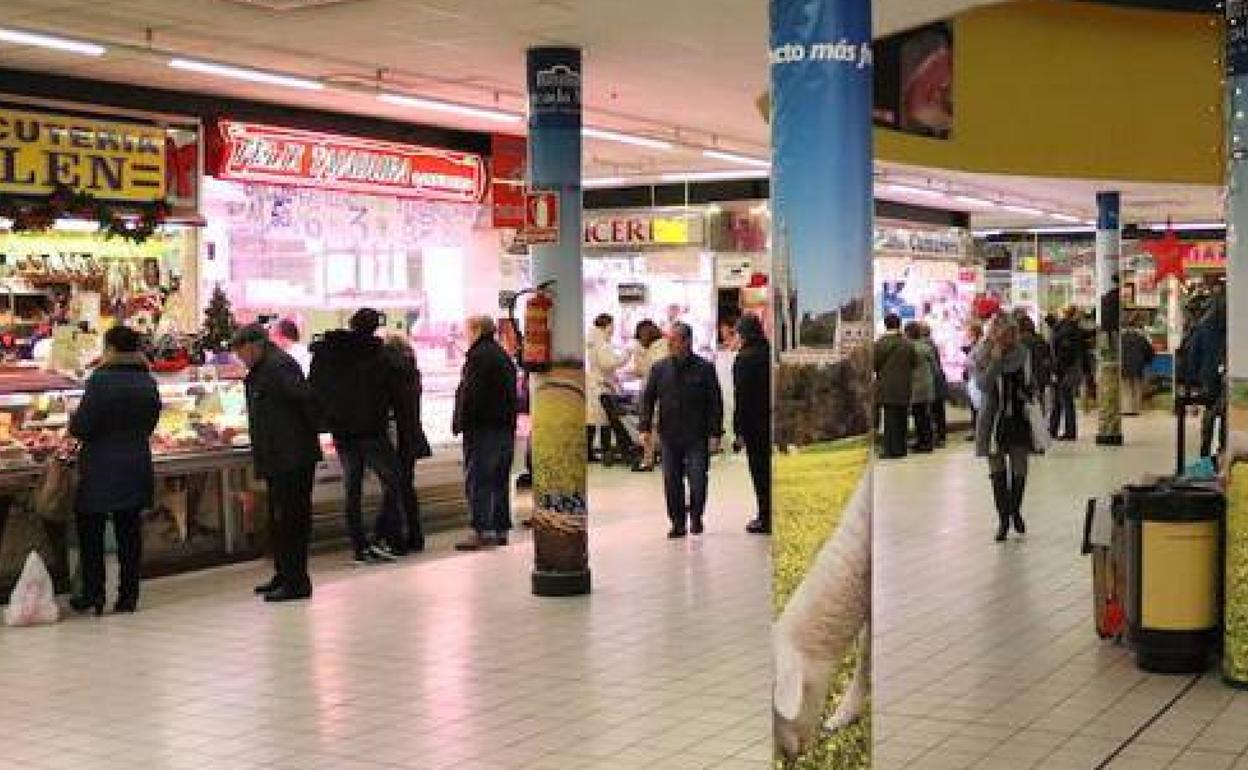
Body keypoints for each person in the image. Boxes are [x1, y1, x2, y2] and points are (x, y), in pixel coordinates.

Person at [68, 325, 161, 615]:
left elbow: (82, 427)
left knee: (91, 529)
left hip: (100, 466)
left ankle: (94, 594)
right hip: (135, 462)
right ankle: (128, 596)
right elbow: (151, 421)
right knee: (129, 532)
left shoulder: (100, 380)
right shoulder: (147, 380)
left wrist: (74, 420)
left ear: (109, 348)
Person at [308, 308, 408, 565]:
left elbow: (315, 389)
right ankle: (379, 537)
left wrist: (325, 421)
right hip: (372, 429)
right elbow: (398, 387)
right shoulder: (380, 354)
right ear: (375, 327)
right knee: (394, 480)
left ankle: (359, 545)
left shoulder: (328, 352)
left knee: (352, 490)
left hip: (343, 431)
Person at [232, 324, 323, 602]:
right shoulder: (265, 368)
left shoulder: (278, 367)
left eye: (241, 353)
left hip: (291, 456)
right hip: (279, 455)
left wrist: (301, 438)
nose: (241, 359)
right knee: (279, 519)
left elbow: (306, 400)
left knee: (292, 520)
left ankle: (296, 581)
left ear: (254, 346)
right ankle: (284, 574)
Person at [639, 323, 724, 539]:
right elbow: (648, 399)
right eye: (669, 339)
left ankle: (696, 516)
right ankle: (677, 522)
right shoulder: (659, 369)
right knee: (671, 480)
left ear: (687, 342)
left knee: (697, 479)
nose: (669, 344)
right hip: (669, 435)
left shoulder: (705, 369)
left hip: (697, 434)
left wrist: (715, 434)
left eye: (674, 340)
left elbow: (715, 403)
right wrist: (645, 427)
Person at [452, 314, 518, 550]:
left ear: (477, 330)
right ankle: (500, 530)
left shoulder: (478, 357)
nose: (465, 335)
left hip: (483, 428)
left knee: (480, 479)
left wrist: (461, 421)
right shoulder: (501, 355)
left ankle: (482, 531)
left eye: (467, 330)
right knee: (500, 480)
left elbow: (472, 395)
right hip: (503, 427)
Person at [973, 316, 1039, 542]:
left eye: (1012, 334)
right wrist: (995, 361)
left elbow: (1032, 383)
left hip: (1018, 418)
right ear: (992, 334)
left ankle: (1015, 510)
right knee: (997, 470)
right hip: (992, 421)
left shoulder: (1023, 353)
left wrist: (1028, 393)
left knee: (1020, 469)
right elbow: (983, 385)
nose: (1008, 339)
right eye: (1002, 335)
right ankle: (1003, 519)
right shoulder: (981, 353)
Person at [382, 334, 432, 554]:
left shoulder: (390, 371)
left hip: (396, 436)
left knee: (394, 488)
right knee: (406, 488)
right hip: (411, 435)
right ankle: (415, 535)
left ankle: (396, 538)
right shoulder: (412, 369)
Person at [733, 315, 771, 535]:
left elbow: (742, 397)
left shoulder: (744, 359)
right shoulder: (769, 353)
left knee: (759, 471)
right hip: (772, 421)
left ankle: (765, 517)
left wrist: (738, 430)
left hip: (753, 424)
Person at [1185, 296, 1227, 458]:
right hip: (1223, 380)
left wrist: (1194, 383)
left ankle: (1206, 457)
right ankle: (1222, 455)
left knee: (1210, 419)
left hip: (1209, 380)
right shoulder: (1234, 327)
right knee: (1225, 419)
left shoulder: (1203, 327)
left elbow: (1193, 357)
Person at [586, 314, 629, 463]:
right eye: (612, 325)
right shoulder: (602, 343)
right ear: (607, 325)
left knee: (592, 420)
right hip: (601, 386)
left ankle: (590, 452)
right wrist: (625, 356)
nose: (614, 328)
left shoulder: (593, 340)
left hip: (595, 384)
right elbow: (607, 363)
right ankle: (606, 452)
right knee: (605, 420)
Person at [874, 314, 916, 459]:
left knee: (890, 419)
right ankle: (901, 448)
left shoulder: (880, 343)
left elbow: (874, 364)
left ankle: (890, 449)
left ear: (886, 325)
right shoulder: (908, 343)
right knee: (902, 417)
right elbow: (914, 362)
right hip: (905, 385)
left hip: (887, 386)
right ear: (899, 325)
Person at [1049, 306, 1085, 441]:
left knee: (1059, 401)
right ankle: (1068, 431)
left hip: (1061, 370)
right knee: (1065, 401)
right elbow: (1066, 353)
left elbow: (1058, 352)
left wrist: (1056, 370)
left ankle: (1054, 429)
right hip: (1066, 369)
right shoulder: (1071, 330)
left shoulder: (1061, 329)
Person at [1016, 311, 1054, 416]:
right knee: (1039, 401)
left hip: (1029, 376)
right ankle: (1040, 420)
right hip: (1040, 375)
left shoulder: (1020, 341)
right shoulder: (1039, 339)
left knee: (1029, 403)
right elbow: (1047, 358)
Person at [919, 323, 949, 448]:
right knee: (939, 410)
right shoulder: (932, 343)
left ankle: (937, 437)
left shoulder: (926, 345)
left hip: (932, 381)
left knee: (933, 410)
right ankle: (941, 436)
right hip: (938, 380)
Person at [1121, 323, 1155, 416]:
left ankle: (1126, 409)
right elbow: (1150, 352)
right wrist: (1147, 361)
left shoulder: (1121, 339)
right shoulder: (1141, 338)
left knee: (1126, 388)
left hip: (1124, 367)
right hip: (1138, 367)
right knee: (1137, 387)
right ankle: (1136, 409)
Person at [962, 321, 984, 441]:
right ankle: (976, 429)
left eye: (969, 331)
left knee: (978, 406)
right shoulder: (974, 344)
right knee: (974, 406)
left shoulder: (980, 345)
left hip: (977, 378)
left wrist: (968, 362)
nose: (967, 333)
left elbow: (979, 362)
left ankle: (979, 430)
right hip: (973, 378)